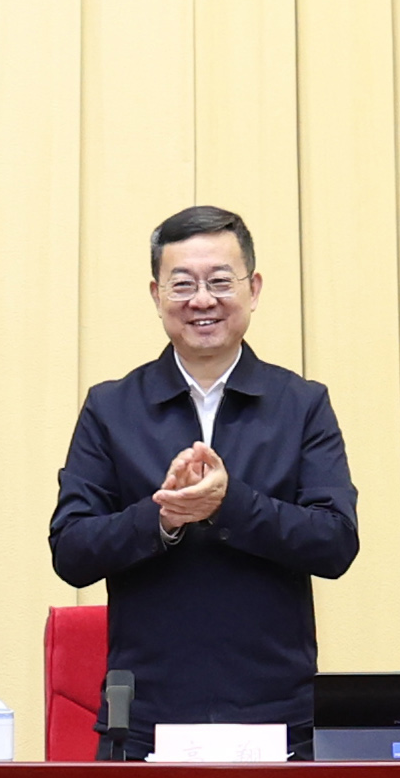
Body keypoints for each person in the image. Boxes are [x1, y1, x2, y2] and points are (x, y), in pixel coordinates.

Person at [44, 205, 361, 748]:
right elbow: (70, 550)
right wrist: (162, 518)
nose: (202, 300)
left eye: (219, 281)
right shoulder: (111, 408)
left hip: (280, 719)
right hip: (142, 719)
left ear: (253, 289)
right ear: (156, 295)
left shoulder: (302, 404)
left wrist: (230, 504)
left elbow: (335, 543)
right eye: (183, 284)